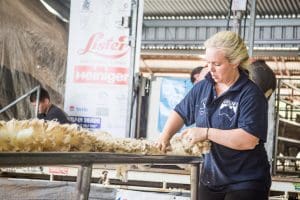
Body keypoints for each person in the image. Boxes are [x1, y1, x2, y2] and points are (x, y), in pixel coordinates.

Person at [157, 31, 271, 200]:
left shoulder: (250, 94)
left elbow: (247, 140)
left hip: (245, 180)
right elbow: (180, 112)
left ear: (235, 62)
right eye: (208, 62)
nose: (210, 69)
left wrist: (205, 132)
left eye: (217, 64)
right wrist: (165, 136)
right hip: (212, 178)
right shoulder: (203, 87)